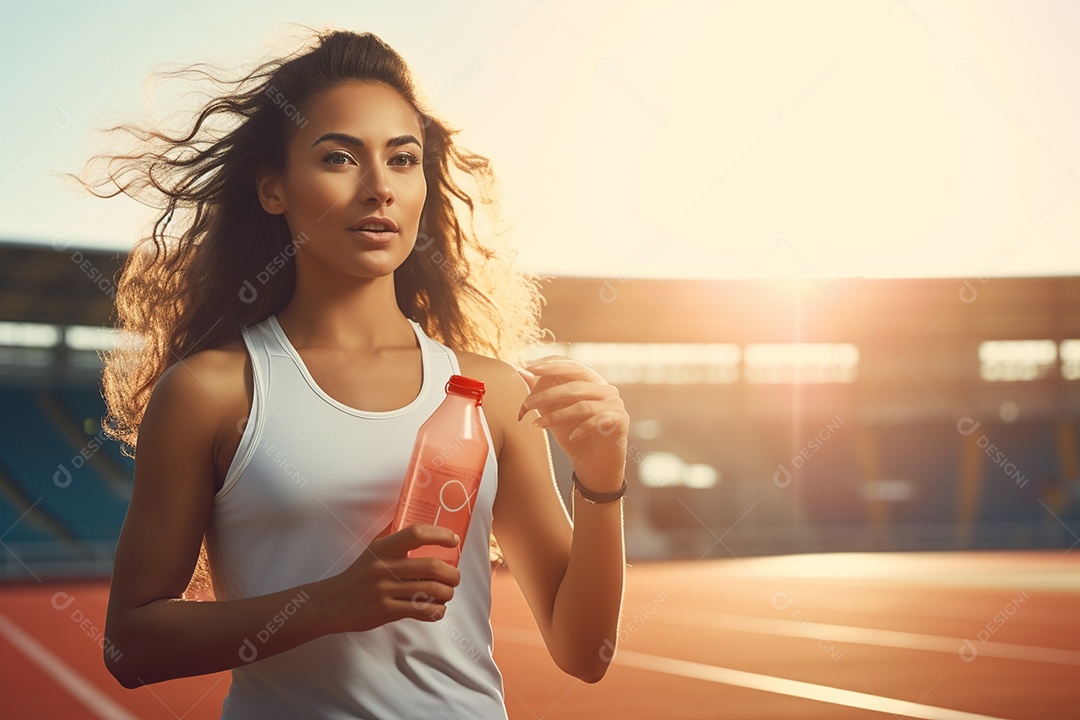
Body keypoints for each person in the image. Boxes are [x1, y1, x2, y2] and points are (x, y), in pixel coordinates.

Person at [77, 27, 629, 719]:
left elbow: (585, 654)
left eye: (403, 160)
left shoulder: (494, 395)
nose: (379, 188)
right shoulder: (212, 391)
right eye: (339, 157)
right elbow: (130, 647)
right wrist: (329, 604)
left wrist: (602, 480)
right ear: (273, 189)